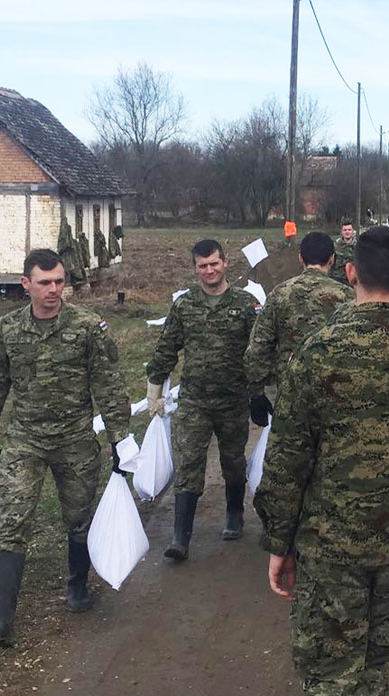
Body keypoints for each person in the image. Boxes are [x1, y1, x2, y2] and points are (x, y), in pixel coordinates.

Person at [255, 226, 389, 696]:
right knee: (376, 664)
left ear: (351, 272)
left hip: (330, 549)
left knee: (332, 677)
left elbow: (286, 461)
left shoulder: (316, 354)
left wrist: (279, 540)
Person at [0, 248, 132, 647]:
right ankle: (0, 619)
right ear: (26, 284)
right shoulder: (7, 330)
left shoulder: (88, 327)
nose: (54, 289)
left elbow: (108, 386)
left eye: (59, 281)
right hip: (25, 440)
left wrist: (121, 440)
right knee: (14, 520)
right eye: (45, 282)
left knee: (78, 517)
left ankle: (77, 585)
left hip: (75, 439)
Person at [146, 239, 260, 560]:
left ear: (225, 263)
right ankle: (180, 539)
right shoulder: (184, 306)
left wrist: (260, 391)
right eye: (202, 265)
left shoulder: (244, 305)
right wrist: (155, 389)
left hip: (233, 401)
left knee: (233, 462)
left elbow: (258, 351)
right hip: (194, 400)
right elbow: (167, 347)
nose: (209, 270)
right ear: (195, 268)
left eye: (214, 263)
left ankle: (235, 513)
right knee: (189, 464)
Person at [244, 231, 353, 423]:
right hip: (336, 392)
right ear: (332, 259)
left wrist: (256, 393)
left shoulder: (280, 294)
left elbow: (258, 347)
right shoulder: (347, 296)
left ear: (300, 258)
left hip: (290, 391)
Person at [330, 218, 357, 285]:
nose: (347, 232)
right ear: (341, 232)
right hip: (337, 281)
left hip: (353, 281)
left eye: (349, 230)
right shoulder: (335, 246)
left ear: (353, 231)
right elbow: (330, 263)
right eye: (345, 230)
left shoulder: (359, 247)